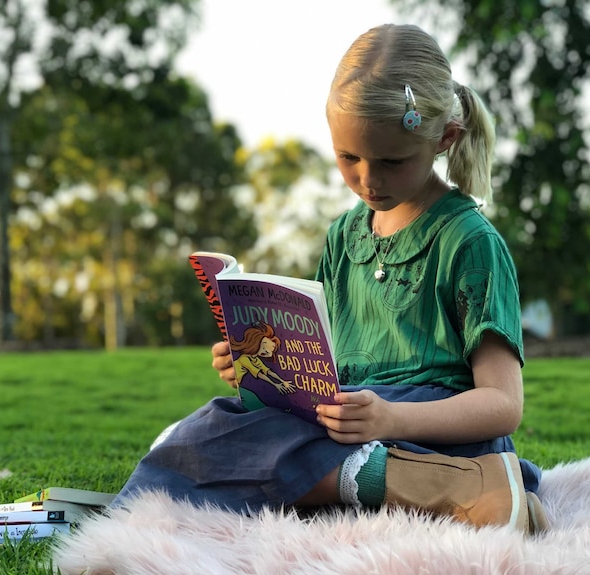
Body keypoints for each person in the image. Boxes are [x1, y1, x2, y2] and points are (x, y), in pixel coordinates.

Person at [113, 23, 548, 534]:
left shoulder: (469, 242)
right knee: (218, 423)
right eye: (349, 158)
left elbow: (503, 405)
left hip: (434, 431)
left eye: (392, 161)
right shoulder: (344, 236)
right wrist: (260, 367)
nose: (368, 178)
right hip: (354, 424)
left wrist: (391, 419)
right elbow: (326, 365)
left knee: (245, 446)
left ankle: (461, 483)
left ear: (444, 139)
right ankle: (420, 490)